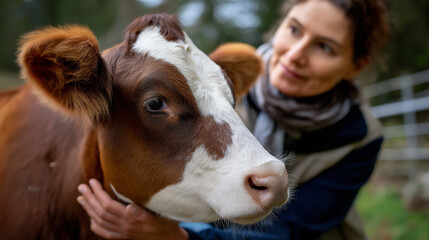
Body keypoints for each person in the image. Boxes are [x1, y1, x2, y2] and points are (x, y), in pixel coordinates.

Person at [76, 0, 390, 239]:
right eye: (294, 29)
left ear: (354, 66)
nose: (295, 54)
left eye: (324, 46)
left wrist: (177, 236)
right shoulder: (209, 83)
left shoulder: (360, 135)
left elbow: (295, 229)